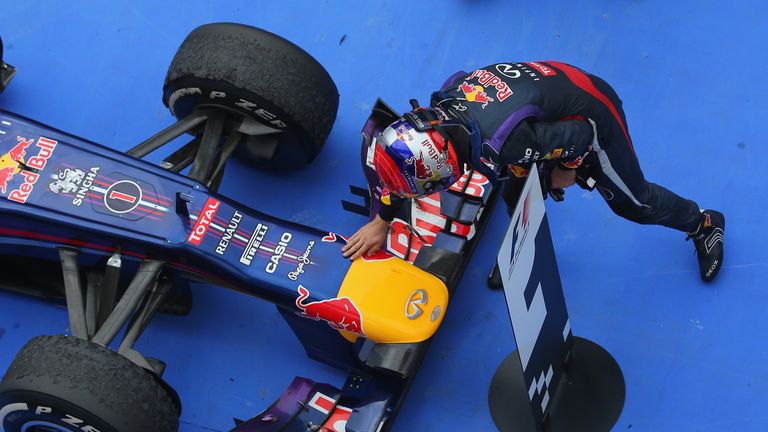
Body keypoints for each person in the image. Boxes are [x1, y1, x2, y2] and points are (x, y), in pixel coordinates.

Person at [341, 61, 725, 283]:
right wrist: (382, 220)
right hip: (548, 94)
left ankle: (704, 224)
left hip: (591, 114)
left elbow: (582, 135)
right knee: (516, 188)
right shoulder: (442, 105)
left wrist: (568, 168)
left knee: (634, 203)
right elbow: (399, 166)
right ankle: (524, 258)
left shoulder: (502, 144)